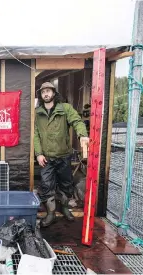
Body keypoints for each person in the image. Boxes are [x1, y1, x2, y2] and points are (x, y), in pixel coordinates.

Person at [34, 82, 89, 227]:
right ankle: (50, 213)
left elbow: (77, 121)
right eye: (43, 91)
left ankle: (65, 208)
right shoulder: (37, 113)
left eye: (48, 91)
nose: (46, 94)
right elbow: (35, 135)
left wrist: (82, 135)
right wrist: (38, 154)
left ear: (53, 93)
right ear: (40, 95)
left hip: (64, 155)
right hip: (46, 157)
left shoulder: (65, 108)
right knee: (46, 185)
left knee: (66, 183)